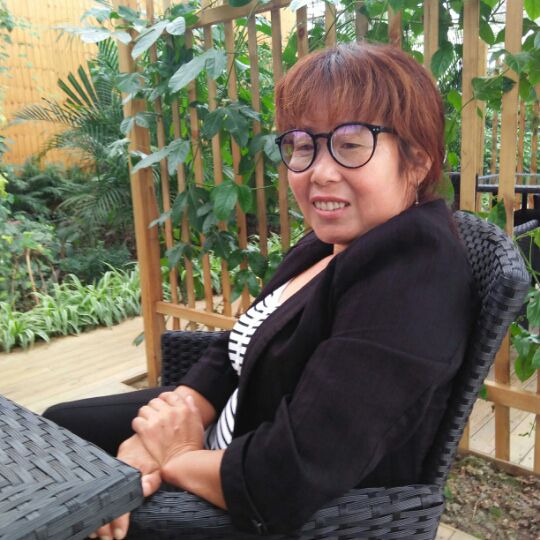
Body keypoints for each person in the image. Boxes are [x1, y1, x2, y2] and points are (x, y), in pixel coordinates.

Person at [43, 42, 476, 540]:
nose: (319, 171)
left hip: (248, 497)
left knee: (65, 493)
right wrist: (169, 421)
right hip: (222, 429)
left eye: (351, 144)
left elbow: (287, 475)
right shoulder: (330, 242)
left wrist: (175, 454)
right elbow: (236, 346)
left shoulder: (412, 278)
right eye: (303, 145)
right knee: (60, 430)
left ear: (417, 161)